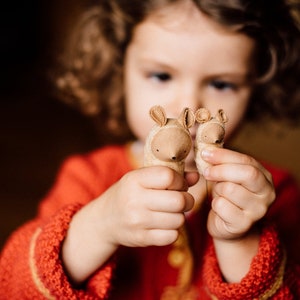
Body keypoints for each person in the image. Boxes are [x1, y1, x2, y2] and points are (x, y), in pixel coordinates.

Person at [1, 0, 300, 298]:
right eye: (161, 76)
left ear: (257, 88)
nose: (189, 106)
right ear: (119, 70)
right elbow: (13, 288)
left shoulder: (275, 193)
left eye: (221, 84)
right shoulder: (88, 178)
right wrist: (99, 225)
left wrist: (241, 240)